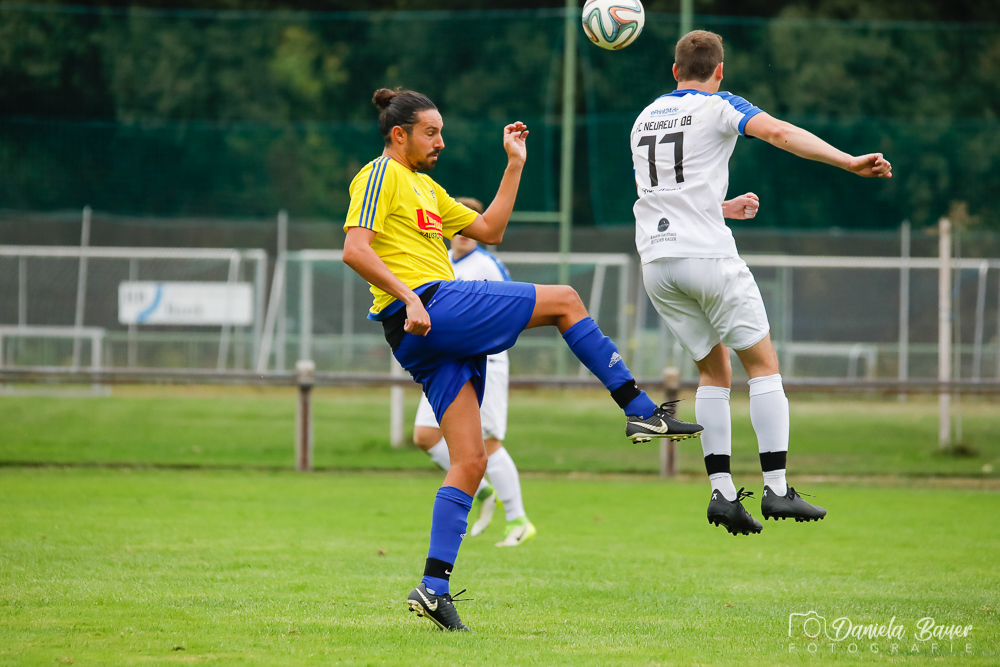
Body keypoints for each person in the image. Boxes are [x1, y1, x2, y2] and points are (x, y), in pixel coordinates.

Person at [343, 87, 702, 631]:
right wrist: (412, 295)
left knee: (469, 461)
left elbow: (490, 230)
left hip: (426, 327)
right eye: (430, 132)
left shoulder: (426, 187)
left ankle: (433, 588)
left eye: (441, 131)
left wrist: (514, 166)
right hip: (428, 307)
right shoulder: (377, 176)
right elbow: (355, 248)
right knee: (566, 301)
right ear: (399, 134)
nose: (441, 141)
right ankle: (638, 406)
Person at [630, 31, 892, 536]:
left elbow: (667, 194)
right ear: (720, 71)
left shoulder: (645, 117)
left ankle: (723, 494)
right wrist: (847, 161)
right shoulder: (721, 104)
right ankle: (776, 488)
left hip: (657, 263)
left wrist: (720, 209)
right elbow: (779, 133)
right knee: (763, 366)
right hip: (707, 257)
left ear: (674, 72)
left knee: (714, 373)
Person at [412, 196, 536, 549]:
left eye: (472, 223)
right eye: (459, 224)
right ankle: (483, 492)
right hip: (447, 362)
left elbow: (510, 309)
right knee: (425, 435)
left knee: (488, 442)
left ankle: (518, 520)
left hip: (486, 362)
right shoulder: (441, 263)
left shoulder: (487, 266)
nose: (464, 233)